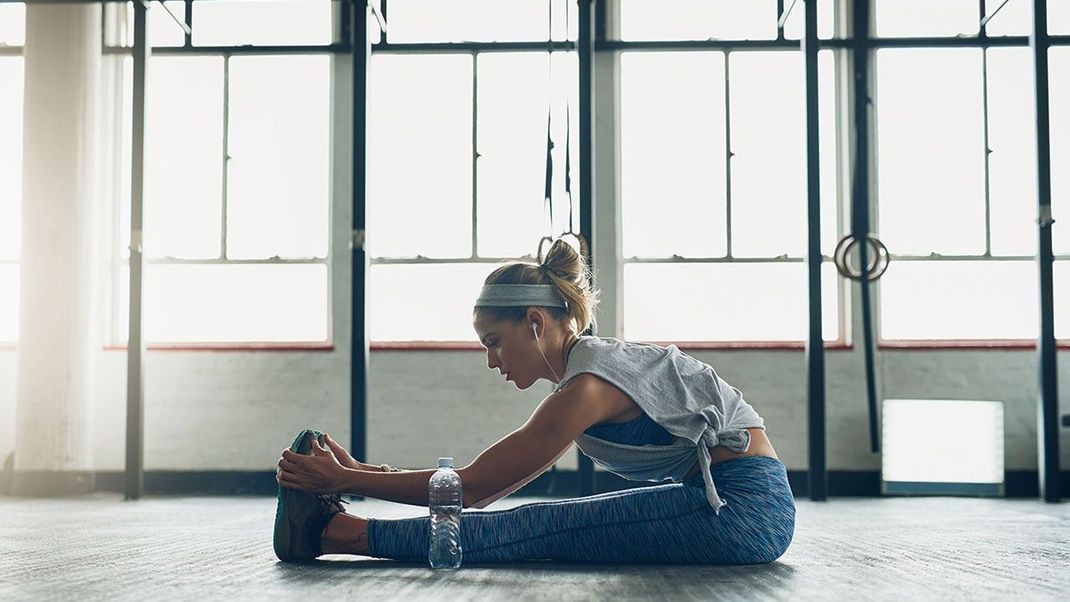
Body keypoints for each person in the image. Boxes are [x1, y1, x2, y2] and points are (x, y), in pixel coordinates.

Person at [274, 238, 795, 565]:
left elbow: (474, 490)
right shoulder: (589, 371)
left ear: (535, 322)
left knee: (538, 526)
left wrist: (346, 480)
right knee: (545, 519)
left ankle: (334, 534)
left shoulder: (588, 387)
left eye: (494, 343)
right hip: (733, 501)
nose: (492, 361)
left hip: (743, 512)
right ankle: (337, 529)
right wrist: (363, 471)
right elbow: (477, 485)